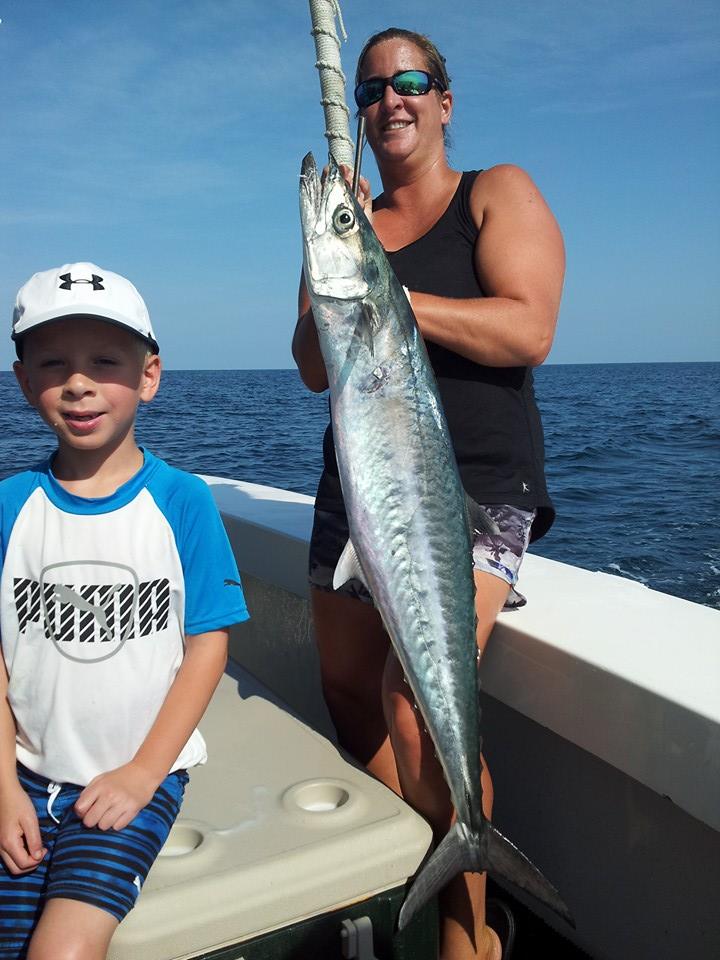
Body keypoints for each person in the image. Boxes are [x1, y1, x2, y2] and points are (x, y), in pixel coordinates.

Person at [292, 27, 565, 960]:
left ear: (445, 100)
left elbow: (528, 330)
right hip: (360, 481)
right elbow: (306, 365)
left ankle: (469, 934)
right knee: (346, 689)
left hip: (475, 493)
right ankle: (435, 855)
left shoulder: (495, 193)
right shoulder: (355, 219)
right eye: (371, 90)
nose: (388, 100)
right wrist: (339, 250)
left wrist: (386, 294)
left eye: (410, 81)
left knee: (415, 703)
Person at [0, 262, 249, 960]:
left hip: (135, 777)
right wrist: (3, 789)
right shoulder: (10, 507)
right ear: (23, 382)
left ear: (149, 375)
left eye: (105, 362)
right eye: (53, 363)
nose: (78, 382)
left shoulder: (182, 503)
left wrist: (143, 775)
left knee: (61, 951)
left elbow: (207, 648)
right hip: (20, 776)